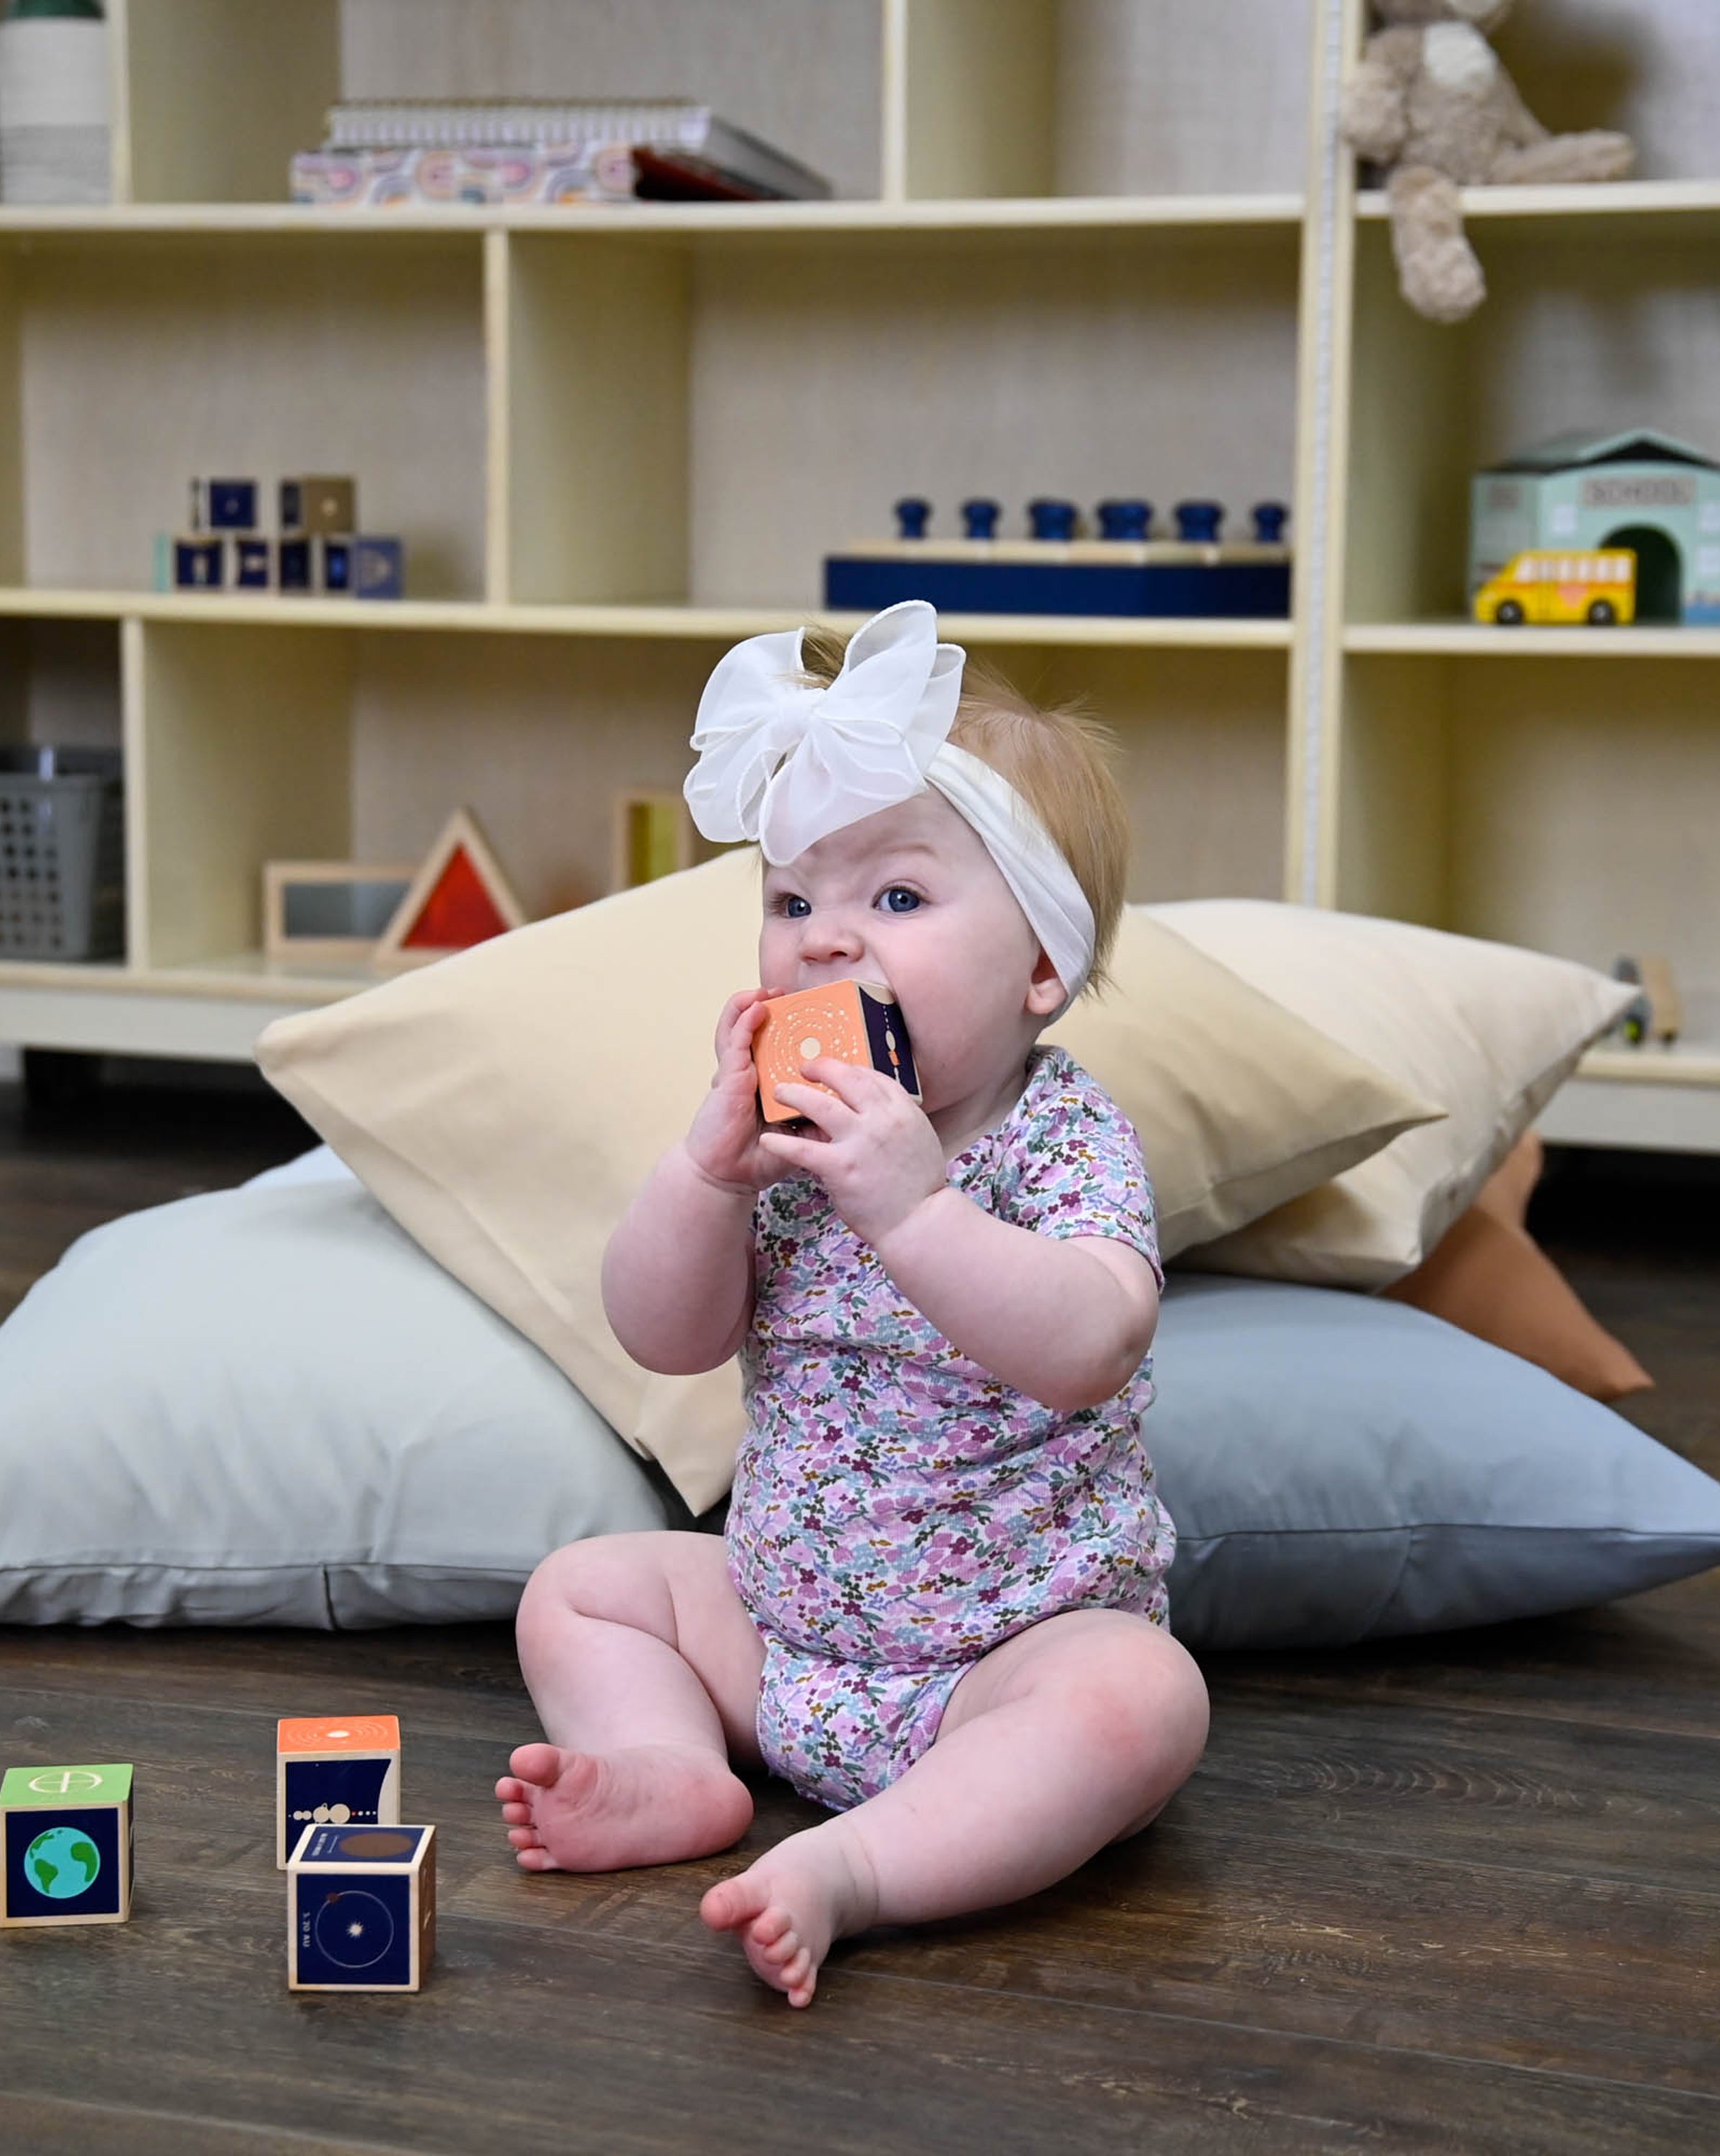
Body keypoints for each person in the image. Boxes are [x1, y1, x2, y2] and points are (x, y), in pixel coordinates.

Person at [494, 600, 1208, 2009]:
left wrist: (914, 1210)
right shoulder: (778, 1142)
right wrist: (702, 1177)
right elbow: (664, 1333)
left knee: (1141, 1703)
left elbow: (1092, 1342)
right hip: (780, 1640)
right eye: (791, 900)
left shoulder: (1059, 1138)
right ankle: (674, 1770)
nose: (825, 943)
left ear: (1041, 968)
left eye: (896, 899)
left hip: (1004, 1661)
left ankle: (863, 1867)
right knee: (584, 1588)